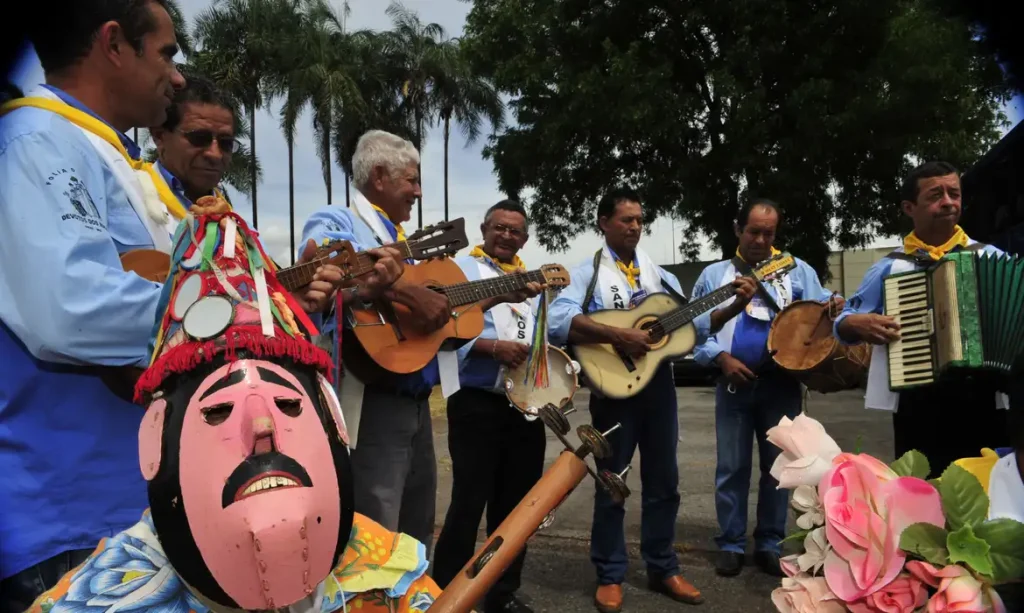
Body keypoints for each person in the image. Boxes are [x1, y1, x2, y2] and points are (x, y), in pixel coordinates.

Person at [27, 208, 441, 613]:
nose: (262, 425)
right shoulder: (97, 600)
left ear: (332, 416)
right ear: (155, 440)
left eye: (288, 404)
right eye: (218, 411)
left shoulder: (389, 575)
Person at [0, 2, 185, 607]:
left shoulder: (96, 152)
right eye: (166, 53)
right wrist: (219, 311)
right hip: (69, 515)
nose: (177, 76)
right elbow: (71, 306)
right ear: (113, 44)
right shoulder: (35, 141)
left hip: (125, 502)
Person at [302, 130, 542, 554]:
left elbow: (436, 320)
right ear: (379, 176)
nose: (418, 191)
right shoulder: (338, 220)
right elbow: (329, 265)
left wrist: (498, 295)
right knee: (376, 528)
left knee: (417, 527)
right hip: (373, 398)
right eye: (411, 180)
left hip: (416, 399)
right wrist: (406, 292)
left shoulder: (407, 244)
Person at [548, 187, 703, 612]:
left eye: (639, 220)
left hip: (659, 389)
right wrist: (619, 335)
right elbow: (559, 320)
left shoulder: (660, 277)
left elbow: (694, 326)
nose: (635, 226)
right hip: (613, 389)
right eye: (626, 219)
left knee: (664, 481)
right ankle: (610, 573)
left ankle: (663, 566)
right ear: (604, 223)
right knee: (612, 482)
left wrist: (730, 305)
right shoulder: (586, 273)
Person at [690, 198, 841, 578]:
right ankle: (731, 544)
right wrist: (720, 359)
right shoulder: (714, 276)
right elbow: (694, 331)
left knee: (780, 469)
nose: (760, 240)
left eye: (768, 233)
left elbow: (823, 308)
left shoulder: (797, 271)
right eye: (753, 231)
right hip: (733, 386)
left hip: (782, 385)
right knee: (731, 467)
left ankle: (770, 543)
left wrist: (836, 306)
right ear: (737, 229)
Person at [834, 161, 1009, 478]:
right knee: (921, 491)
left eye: (954, 193)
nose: (948, 202)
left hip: (985, 397)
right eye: (936, 195)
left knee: (986, 490)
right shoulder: (891, 267)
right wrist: (856, 324)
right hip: (918, 401)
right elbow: (844, 321)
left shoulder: (992, 258)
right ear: (909, 207)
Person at [432, 200, 546, 613]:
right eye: (499, 227)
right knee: (468, 501)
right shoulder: (462, 271)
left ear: (525, 239)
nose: (506, 236)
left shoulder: (532, 283)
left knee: (516, 510)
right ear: (484, 229)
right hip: (476, 401)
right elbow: (444, 331)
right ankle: (444, 593)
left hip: (525, 407)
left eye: (515, 231)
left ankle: (502, 594)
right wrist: (490, 348)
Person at [149, 73, 236, 209]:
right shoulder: (126, 197)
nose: (215, 154)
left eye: (226, 142)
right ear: (159, 136)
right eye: (199, 138)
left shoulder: (234, 221)